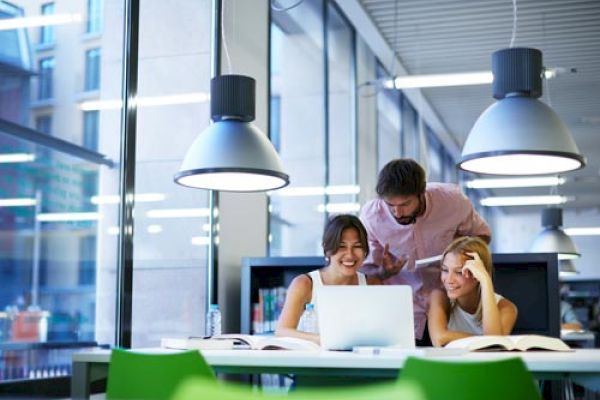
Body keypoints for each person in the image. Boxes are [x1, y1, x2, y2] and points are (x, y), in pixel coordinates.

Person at [359, 158, 491, 345]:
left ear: (422, 192)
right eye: (390, 205)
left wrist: (457, 253)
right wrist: (384, 272)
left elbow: (482, 236)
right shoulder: (371, 216)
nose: (397, 212)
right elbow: (362, 272)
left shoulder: (452, 201)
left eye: (405, 204)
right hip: (402, 311)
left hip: (451, 304)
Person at [275, 214, 382, 344]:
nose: (350, 254)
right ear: (327, 250)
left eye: (357, 246)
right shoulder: (305, 284)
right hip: (314, 361)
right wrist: (325, 340)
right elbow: (282, 331)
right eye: (341, 246)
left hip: (358, 362)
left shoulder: (373, 285)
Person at [427, 236, 518, 347]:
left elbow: (494, 346)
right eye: (445, 270)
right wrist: (485, 340)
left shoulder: (506, 308)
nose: (449, 280)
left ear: (477, 274)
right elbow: (439, 339)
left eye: (459, 272)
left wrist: (485, 281)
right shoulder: (439, 296)